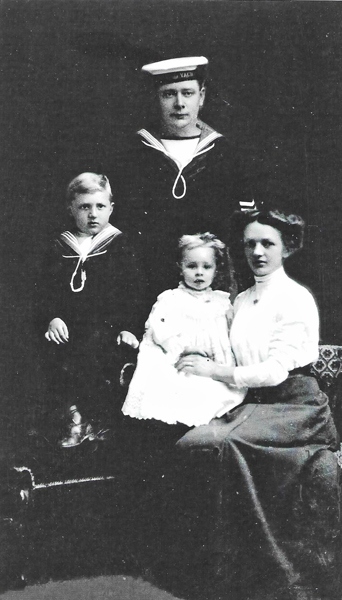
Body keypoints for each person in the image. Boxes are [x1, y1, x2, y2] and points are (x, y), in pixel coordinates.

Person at [175, 209, 340, 600]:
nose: (258, 252)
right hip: (252, 403)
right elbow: (230, 355)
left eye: (268, 243)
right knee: (191, 441)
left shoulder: (296, 298)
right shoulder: (242, 298)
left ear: (288, 248)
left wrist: (215, 371)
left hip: (297, 408)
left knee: (224, 446)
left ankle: (273, 576)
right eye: (250, 244)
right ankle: (222, 570)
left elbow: (275, 372)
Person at [112, 56, 251, 310]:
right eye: (168, 94)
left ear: (202, 96)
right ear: (156, 98)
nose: (179, 103)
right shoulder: (133, 154)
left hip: (210, 283)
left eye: (187, 93)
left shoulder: (226, 154)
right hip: (147, 280)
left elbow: (241, 226)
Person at [42, 173, 142, 448]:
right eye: (84, 207)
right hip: (69, 324)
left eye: (100, 207)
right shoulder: (60, 246)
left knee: (95, 350)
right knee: (56, 350)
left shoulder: (119, 245)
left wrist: (128, 326)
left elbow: (132, 292)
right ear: (71, 209)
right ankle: (73, 416)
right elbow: (46, 288)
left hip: (107, 325)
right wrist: (53, 317)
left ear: (111, 207)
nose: (93, 214)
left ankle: (94, 420)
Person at [121, 233, 246, 428]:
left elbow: (229, 335)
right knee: (177, 390)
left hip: (212, 363)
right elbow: (159, 329)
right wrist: (183, 348)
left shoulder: (221, 302)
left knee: (215, 393)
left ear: (215, 270)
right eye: (191, 266)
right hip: (178, 361)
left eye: (206, 267)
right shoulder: (171, 299)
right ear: (180, 268)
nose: (199, 273)